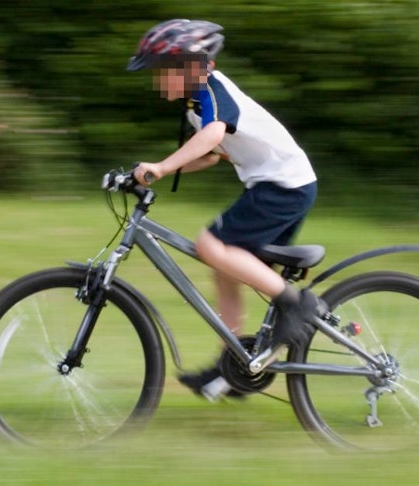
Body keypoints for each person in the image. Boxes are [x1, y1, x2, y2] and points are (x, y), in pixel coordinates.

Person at [127, 19, 323, 401]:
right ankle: (234, 363)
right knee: (224, 268)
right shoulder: (195, 104)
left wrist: (164, 167)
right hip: (280, 185)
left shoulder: (212, 93)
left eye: (162, 72)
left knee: (210, 245)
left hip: (283, 187)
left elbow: (214, 135)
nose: (156, 80)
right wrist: (155, 171)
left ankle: (295, 305)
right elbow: (213, 155)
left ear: (190, 68)